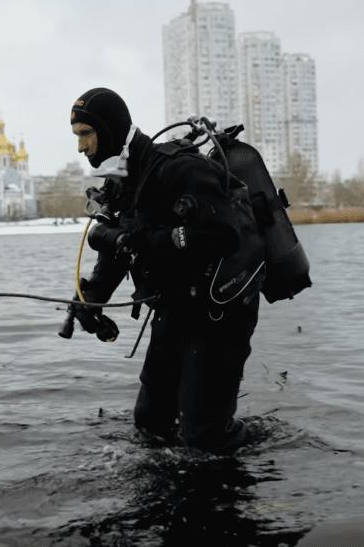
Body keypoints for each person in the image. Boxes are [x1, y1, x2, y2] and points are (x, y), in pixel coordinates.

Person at [67, 87, 260, 455]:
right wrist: (92, 296)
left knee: (204, 436)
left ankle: (256, 477)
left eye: (85, 134)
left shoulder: (177, 168)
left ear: (107, 130)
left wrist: (151, 239)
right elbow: (117, 245)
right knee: (151, 424)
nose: (81, 147)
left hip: (219, 312)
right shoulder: (123, 182)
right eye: (78, 137)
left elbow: (224, 235)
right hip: (175, 307)